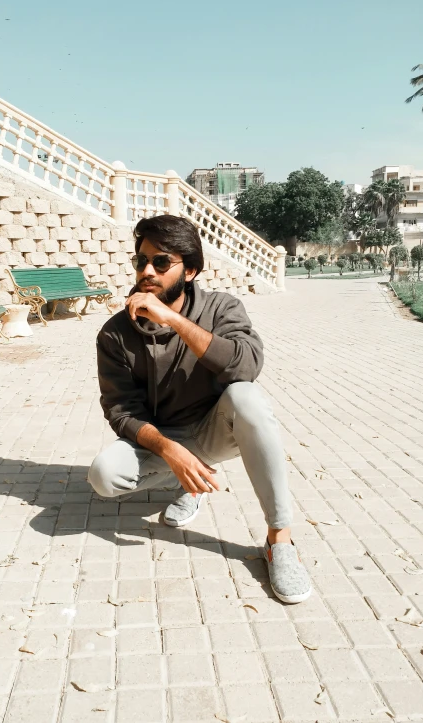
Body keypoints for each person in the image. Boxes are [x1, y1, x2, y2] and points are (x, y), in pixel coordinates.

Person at [88, 215, 311, 604]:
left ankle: (280, 540)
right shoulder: (114, 333)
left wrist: (172, 319)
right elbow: (121, 410)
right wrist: (171, 453)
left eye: (161, 262)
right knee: (104, 476)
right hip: (164, 438)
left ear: (189, 270)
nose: (147, 271)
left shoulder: (221, 307)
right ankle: (186, 481)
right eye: (141, 261)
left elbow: (247, 365)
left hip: (215, 429)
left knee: (248, 398)